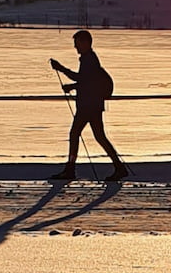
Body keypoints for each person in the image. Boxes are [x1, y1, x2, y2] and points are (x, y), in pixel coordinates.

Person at [49, 29, 128, 182]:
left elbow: (82, 79)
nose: (75, 47)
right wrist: (72, 87)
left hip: (88, 106)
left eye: (77, 43)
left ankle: (70, 169)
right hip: (93, 105)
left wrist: (61, 68)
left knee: (76, 134)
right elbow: (86, 81)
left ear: (85, 43)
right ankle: (119, 167)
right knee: (99, 137)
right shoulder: (89, 59)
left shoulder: (89, 59)